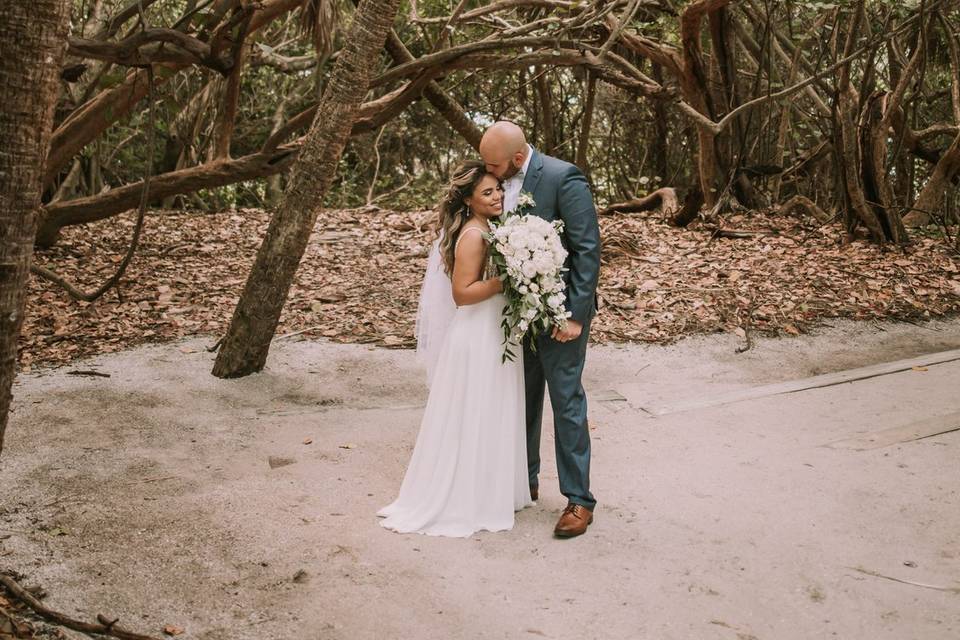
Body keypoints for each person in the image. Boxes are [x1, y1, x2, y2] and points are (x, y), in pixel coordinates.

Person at [377, 160, 533, 537]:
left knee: (488, 410)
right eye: (487, 192)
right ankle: (467, 498)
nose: (497, 196)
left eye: (498, 189)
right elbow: (462, 294)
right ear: (468, 200)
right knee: (476, 411)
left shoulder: (489, 228)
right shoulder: (474, 235)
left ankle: (487, 491)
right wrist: (505, 281)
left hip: (492, 331)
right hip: (477, 333)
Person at [479, 121, 601, 538]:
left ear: (517, 159)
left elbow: (587, 249)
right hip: (518, 313)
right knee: (523, 398)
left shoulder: (562, 177)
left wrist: (575, 315)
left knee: (566, 402)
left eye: (494, 165)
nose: (489, 174)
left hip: (561, 315)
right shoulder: (496, 180)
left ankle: (579, 500)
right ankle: (524, 481)